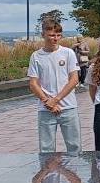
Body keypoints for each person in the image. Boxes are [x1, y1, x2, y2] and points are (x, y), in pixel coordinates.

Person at [28, 19, 81, 153]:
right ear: (43, 35)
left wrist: (56, 99)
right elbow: (33, 83)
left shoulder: (68, 53)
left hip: (68, 107)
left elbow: (74, 79)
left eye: (58, 35)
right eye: (51, 35)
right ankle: (49, 168)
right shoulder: (36, 56)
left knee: (74, 146)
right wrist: (47, 101)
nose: (55, 38)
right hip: (46, 109)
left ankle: (74, 168)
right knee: (46, 149)